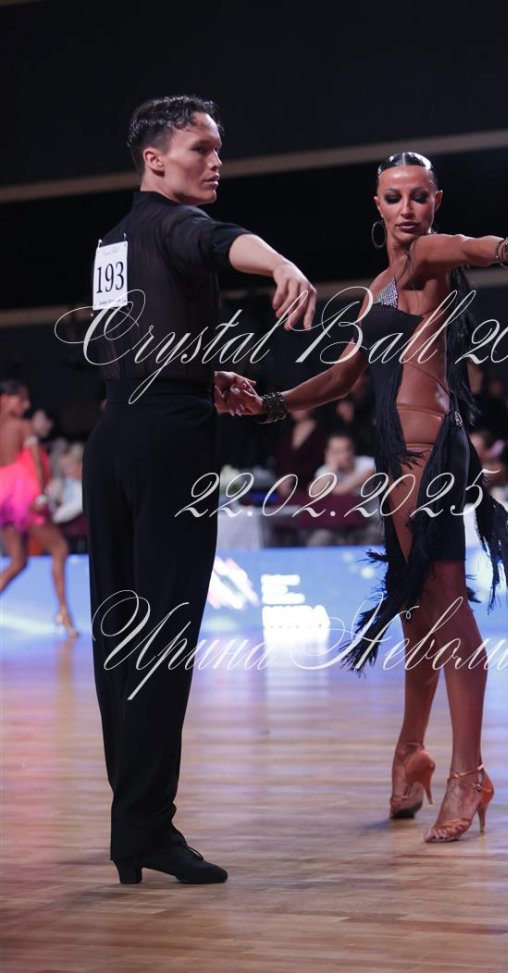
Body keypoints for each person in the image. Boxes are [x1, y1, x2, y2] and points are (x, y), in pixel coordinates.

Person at [239, 151, 508, 845]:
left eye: (419, 196)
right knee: (416, 616)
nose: (407, 209)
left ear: (437, 200)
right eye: (394, 197)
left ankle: (469, 773)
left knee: (447, 610)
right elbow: (342, 377)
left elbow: (463, 246)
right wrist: (271, 404)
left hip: (428, 455)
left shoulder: (428, 259)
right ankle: (410, 754)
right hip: (398, 459)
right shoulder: (380, 286)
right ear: (376, 204)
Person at [81, 95, 316, 885]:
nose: (216, 161)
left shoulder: (113, 241)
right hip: (169, 444)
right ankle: (146, 825)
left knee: (120, 637)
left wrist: (194, 373)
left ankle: (133, 823)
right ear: (155, 159)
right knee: (162, 637)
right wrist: (279, 264)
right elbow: (217, 240)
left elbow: (127, 343)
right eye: (200, 148)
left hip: (114, 435)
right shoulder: (177, 222)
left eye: (219, 149)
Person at [0, 379, 79, 637]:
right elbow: (36, 463)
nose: (26, 405)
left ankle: (63, 613)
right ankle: (63, 612)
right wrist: (42, 495)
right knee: (60, 549)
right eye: (22, 399)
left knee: (18, 562)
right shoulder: (22, 426)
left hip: (3, 499)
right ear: (6, 398)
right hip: (23, 497)